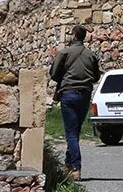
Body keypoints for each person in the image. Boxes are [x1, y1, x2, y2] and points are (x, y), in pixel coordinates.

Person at [50, 25, 101, 181]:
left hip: (69, 94)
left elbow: (54, 74)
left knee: (71, 134)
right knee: (75, 132)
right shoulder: (91, 55)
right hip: (85, 95)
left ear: (73, 36)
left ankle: (75, 168)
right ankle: (67, 165)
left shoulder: (65, 52)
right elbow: (96, 76)